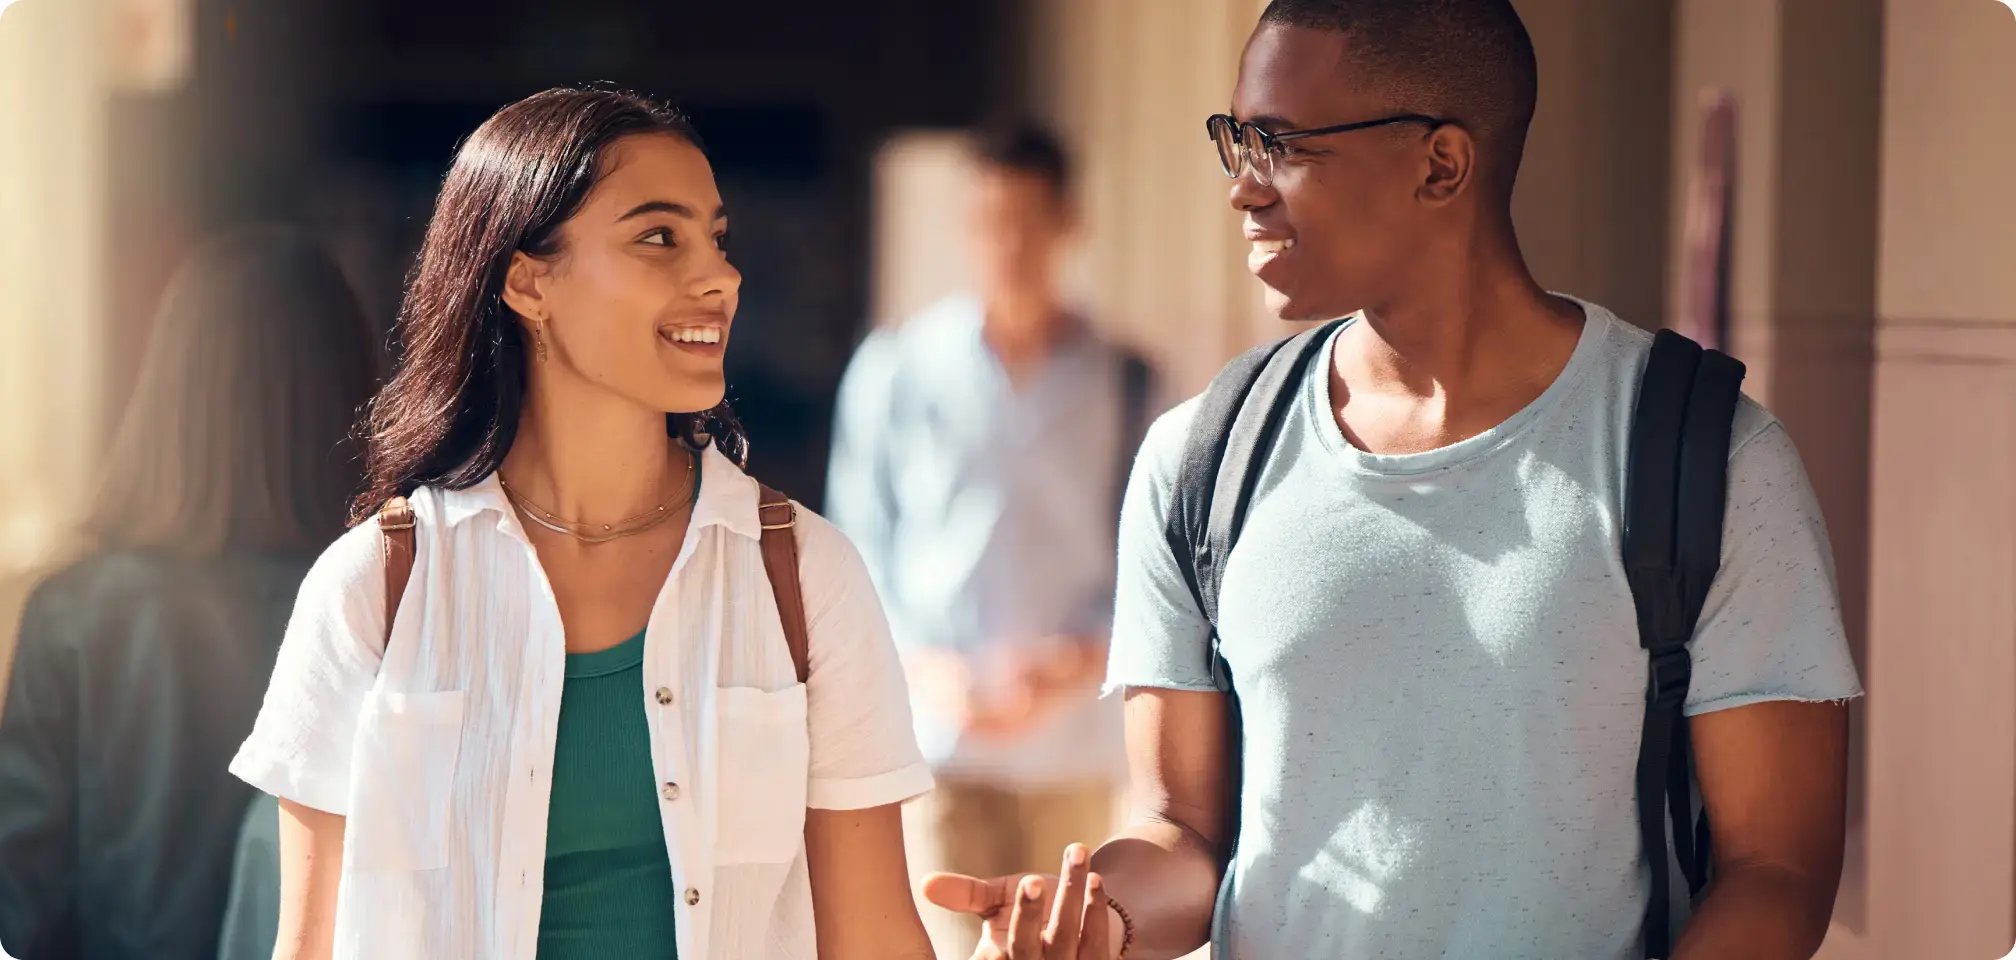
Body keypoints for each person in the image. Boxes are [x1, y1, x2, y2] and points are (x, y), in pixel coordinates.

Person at [924, 3, 1861, 959]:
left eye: (1281, 143)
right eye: (1234, 141)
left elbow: (1777, 869)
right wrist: (1097, 918)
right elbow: (1189, 837)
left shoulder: (1706, 460)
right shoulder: (1204, 460)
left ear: (1440, 164)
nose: (1245, 189)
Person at [226, 87, 937, 960]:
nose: (720, 276)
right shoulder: (374, 586)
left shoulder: (803, 573)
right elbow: (308, 945)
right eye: (658, 237)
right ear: (529, 280)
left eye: (716, 239)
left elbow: (873, 940)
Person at [0, 226, 377, 960]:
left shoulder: (74, 612)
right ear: (350, 388)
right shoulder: (386, 598)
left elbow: (21, 903)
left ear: (165, 388)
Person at [826, 122, 1147, 958]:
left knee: (1063, 949)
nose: (1008, 244)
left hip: (1072, 747)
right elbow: (858, 540)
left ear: (1068, 222)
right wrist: (923, 665)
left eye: (1028, 219)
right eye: (989, 220)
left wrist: (1080, 657)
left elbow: (1159, 559)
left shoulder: (1129, 380)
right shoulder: (898, 368)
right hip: (938, 740)